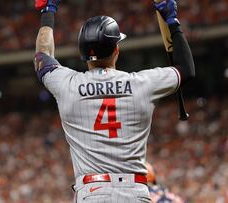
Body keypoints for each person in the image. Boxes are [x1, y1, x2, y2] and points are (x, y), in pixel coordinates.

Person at [33, 0, 195, 202]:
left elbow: (43, 55)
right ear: (116, 50)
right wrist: (172, 20)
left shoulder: (67, 84)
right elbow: (186, 70)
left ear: (82, 53)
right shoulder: (141, 83)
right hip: (135, 192)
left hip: (92, 192)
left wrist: (48, 12)